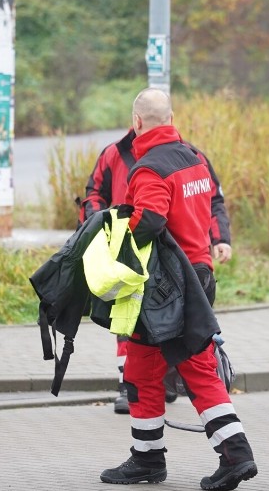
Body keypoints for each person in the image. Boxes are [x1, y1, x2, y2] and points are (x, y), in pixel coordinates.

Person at [99, 88, 257, 491]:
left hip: (166, 287)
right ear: (170, 118)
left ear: (136, 122)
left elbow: (150, 219)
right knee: (141, 369)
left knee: (196, 370)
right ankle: (147, 457)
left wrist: (116, 241)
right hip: (197, 275)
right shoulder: (194, 159)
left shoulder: (149, 168)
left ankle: (235, 454)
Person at [81, 126, 232, 415]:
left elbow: (211, 202)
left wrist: (221, 237)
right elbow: (94, 196)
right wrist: (100, 232)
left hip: (177, 265)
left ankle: (165, 381)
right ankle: (133, 388)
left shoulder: (188, 157)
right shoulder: (114, 154)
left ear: (138, 119)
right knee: (132, 327)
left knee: (178, 346)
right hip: (147, 264)